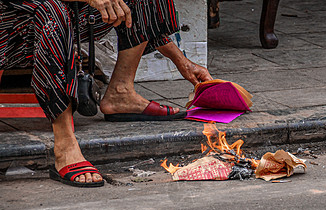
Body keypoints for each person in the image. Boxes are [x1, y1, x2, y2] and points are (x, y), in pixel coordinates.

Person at [0, 0, 212, 187]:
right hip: (11, 28)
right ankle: (65, 144)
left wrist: (182, 63)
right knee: (53, 9)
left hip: (59, 20)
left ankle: (122, 92)